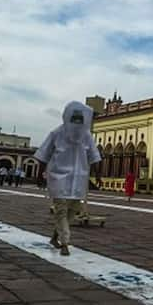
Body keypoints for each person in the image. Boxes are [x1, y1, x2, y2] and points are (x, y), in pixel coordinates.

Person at [35, 101, 102, 256]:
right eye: (75, 119)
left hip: (79, 179)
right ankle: (65, 243)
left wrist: (98, 175)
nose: (77, 123)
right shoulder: (56, 133)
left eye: (80, 120)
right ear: (69, 118)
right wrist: (40, 175)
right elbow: (43, 155)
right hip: (58, 178)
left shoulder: (86, 135)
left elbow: (94, 156)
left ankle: (54, 237)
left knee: (72, 211)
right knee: (61, 211)